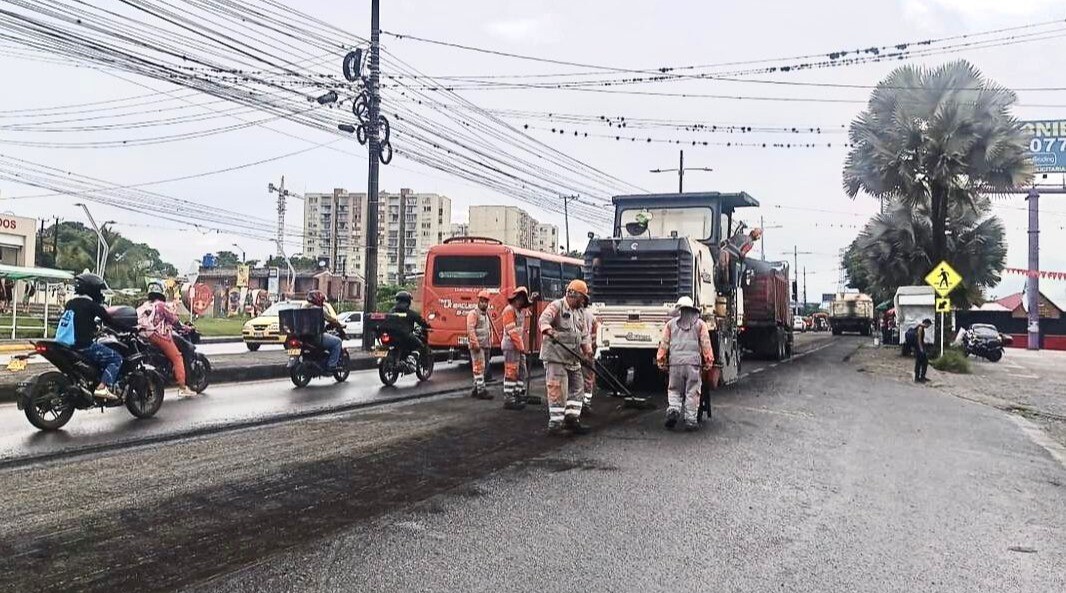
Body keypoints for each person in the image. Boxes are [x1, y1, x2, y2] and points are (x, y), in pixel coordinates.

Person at [538, 279, 593, 435]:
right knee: (558, 389)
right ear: (574, 294)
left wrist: (587, 351)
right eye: (582, 298)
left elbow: (584, 334)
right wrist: (550, 331)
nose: (583, 302)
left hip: (573, 357)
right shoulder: (557, 306)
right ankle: (555, 424)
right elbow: (543, 320)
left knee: (578, 386)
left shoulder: (580, 312)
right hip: (556, 356)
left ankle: (572, 418)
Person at [656, 296, 715, 432]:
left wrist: (661, 360)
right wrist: (709, 361)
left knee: (674, 389)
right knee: (692, 392)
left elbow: (664, 344)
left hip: (675, 364)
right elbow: (706, 344)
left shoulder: (670, 325)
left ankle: (674, 409)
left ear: (679, 309)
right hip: (693, 365)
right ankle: (690, 420)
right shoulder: (700, 324)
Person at [65, 273, 122, 400]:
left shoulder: (70, 303)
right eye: (99, 291)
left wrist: (93, 328)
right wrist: (131, 328)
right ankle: (102, 387)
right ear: (93, 289)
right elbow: (110, 321)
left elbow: (79, 322)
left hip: (68, 345)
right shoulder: (92, 305)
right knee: (116, 358)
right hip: (84, 346)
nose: (101, 294)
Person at [138, 286, 193, 397]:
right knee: (177, 357)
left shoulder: (146, 305)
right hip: (157, 335)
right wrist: (186, 328)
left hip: (143, 335)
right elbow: (174, 320)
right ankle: (183, 387)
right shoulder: (161, 305)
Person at [501, 286, 533, 410]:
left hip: (518, 346)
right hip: (510, 345)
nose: (521, 301)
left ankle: (517, 392)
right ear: (515, 298)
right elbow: (512, 331)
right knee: (511, 371)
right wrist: (521, 346)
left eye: (523, 299)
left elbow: (530, 312)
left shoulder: (521, 311)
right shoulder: (509, 310)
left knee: (522, 370)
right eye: (519, 298)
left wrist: (532, 299)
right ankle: (509, 398)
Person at [386, 290, 430, 369]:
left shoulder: (391, 311)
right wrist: (428, 325)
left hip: (392, 336)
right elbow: (421, 321)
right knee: (420, 345)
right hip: (405, 336)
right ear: (408, 301)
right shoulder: (410, 313)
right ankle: (411, 359)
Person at [304, 290, 345, 371]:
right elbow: (331, 319)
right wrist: (339, 324)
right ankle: (331, 365)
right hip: (317, 337)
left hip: (304, 337)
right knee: (338, 342)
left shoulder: (303, 307)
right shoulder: (319, 309)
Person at [466, 290, 493, 399]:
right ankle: (481, 390)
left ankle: (475, 389)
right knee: (479, 368)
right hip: (477, 346)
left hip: (485, 345)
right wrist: (475, 344)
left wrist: (489, 343)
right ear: (478, 301)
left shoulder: (486, 314)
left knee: (482, 368)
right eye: (482, 301)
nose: (484, 304)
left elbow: (488, 330)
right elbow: (470, 330)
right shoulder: (473, 314)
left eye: (486, 302)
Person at [580, 302, 599, 416]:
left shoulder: (574, 314)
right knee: (587, 377)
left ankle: (577, 402)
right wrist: (592, 350)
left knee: (575, 378)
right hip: (588, 351)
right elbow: (595, 335)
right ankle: (586, 402)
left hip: (576, 352)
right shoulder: (591, 316)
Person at [914, 318, 932, 383]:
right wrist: (921, 348)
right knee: (921, 363)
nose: (928, 327)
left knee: (922, 362)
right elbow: (919, 339)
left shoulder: (919, 327)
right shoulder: (920, 328)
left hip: (919, 347)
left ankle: (921, 377)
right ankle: (918, 378)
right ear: (926, 323)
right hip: (919, 348)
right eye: (928, 325)